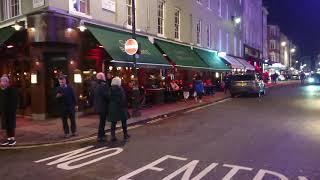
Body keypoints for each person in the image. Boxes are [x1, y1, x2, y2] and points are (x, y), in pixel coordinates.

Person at [108, 77, 130, 141]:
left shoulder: (110, 89)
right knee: (124, 121)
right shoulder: (120, 89)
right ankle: (125, 135)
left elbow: (108, 97)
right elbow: (123, 98)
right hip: (121, 107)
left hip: (113, 107)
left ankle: (113, 136)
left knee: (113, 122)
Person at [0, 75, 18, 146]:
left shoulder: (11, 90)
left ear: (7, 82)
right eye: (1, 81)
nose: (2, 83)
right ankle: (8, 139)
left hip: (10, 111)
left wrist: (13, 109)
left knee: (10, 125)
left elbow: (14, 101)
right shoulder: (1, 91)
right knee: (5, 125)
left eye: (3, 81)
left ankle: (12, 139)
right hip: (3, 111)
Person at [94, 73, 109, 142]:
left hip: (98, 105)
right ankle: (100, 136)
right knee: (102, 122)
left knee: (102, 121)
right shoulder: (104, 85)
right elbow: (106, 95)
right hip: (103, 106)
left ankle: (102, 134)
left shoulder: (95, 84)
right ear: (103, 77)